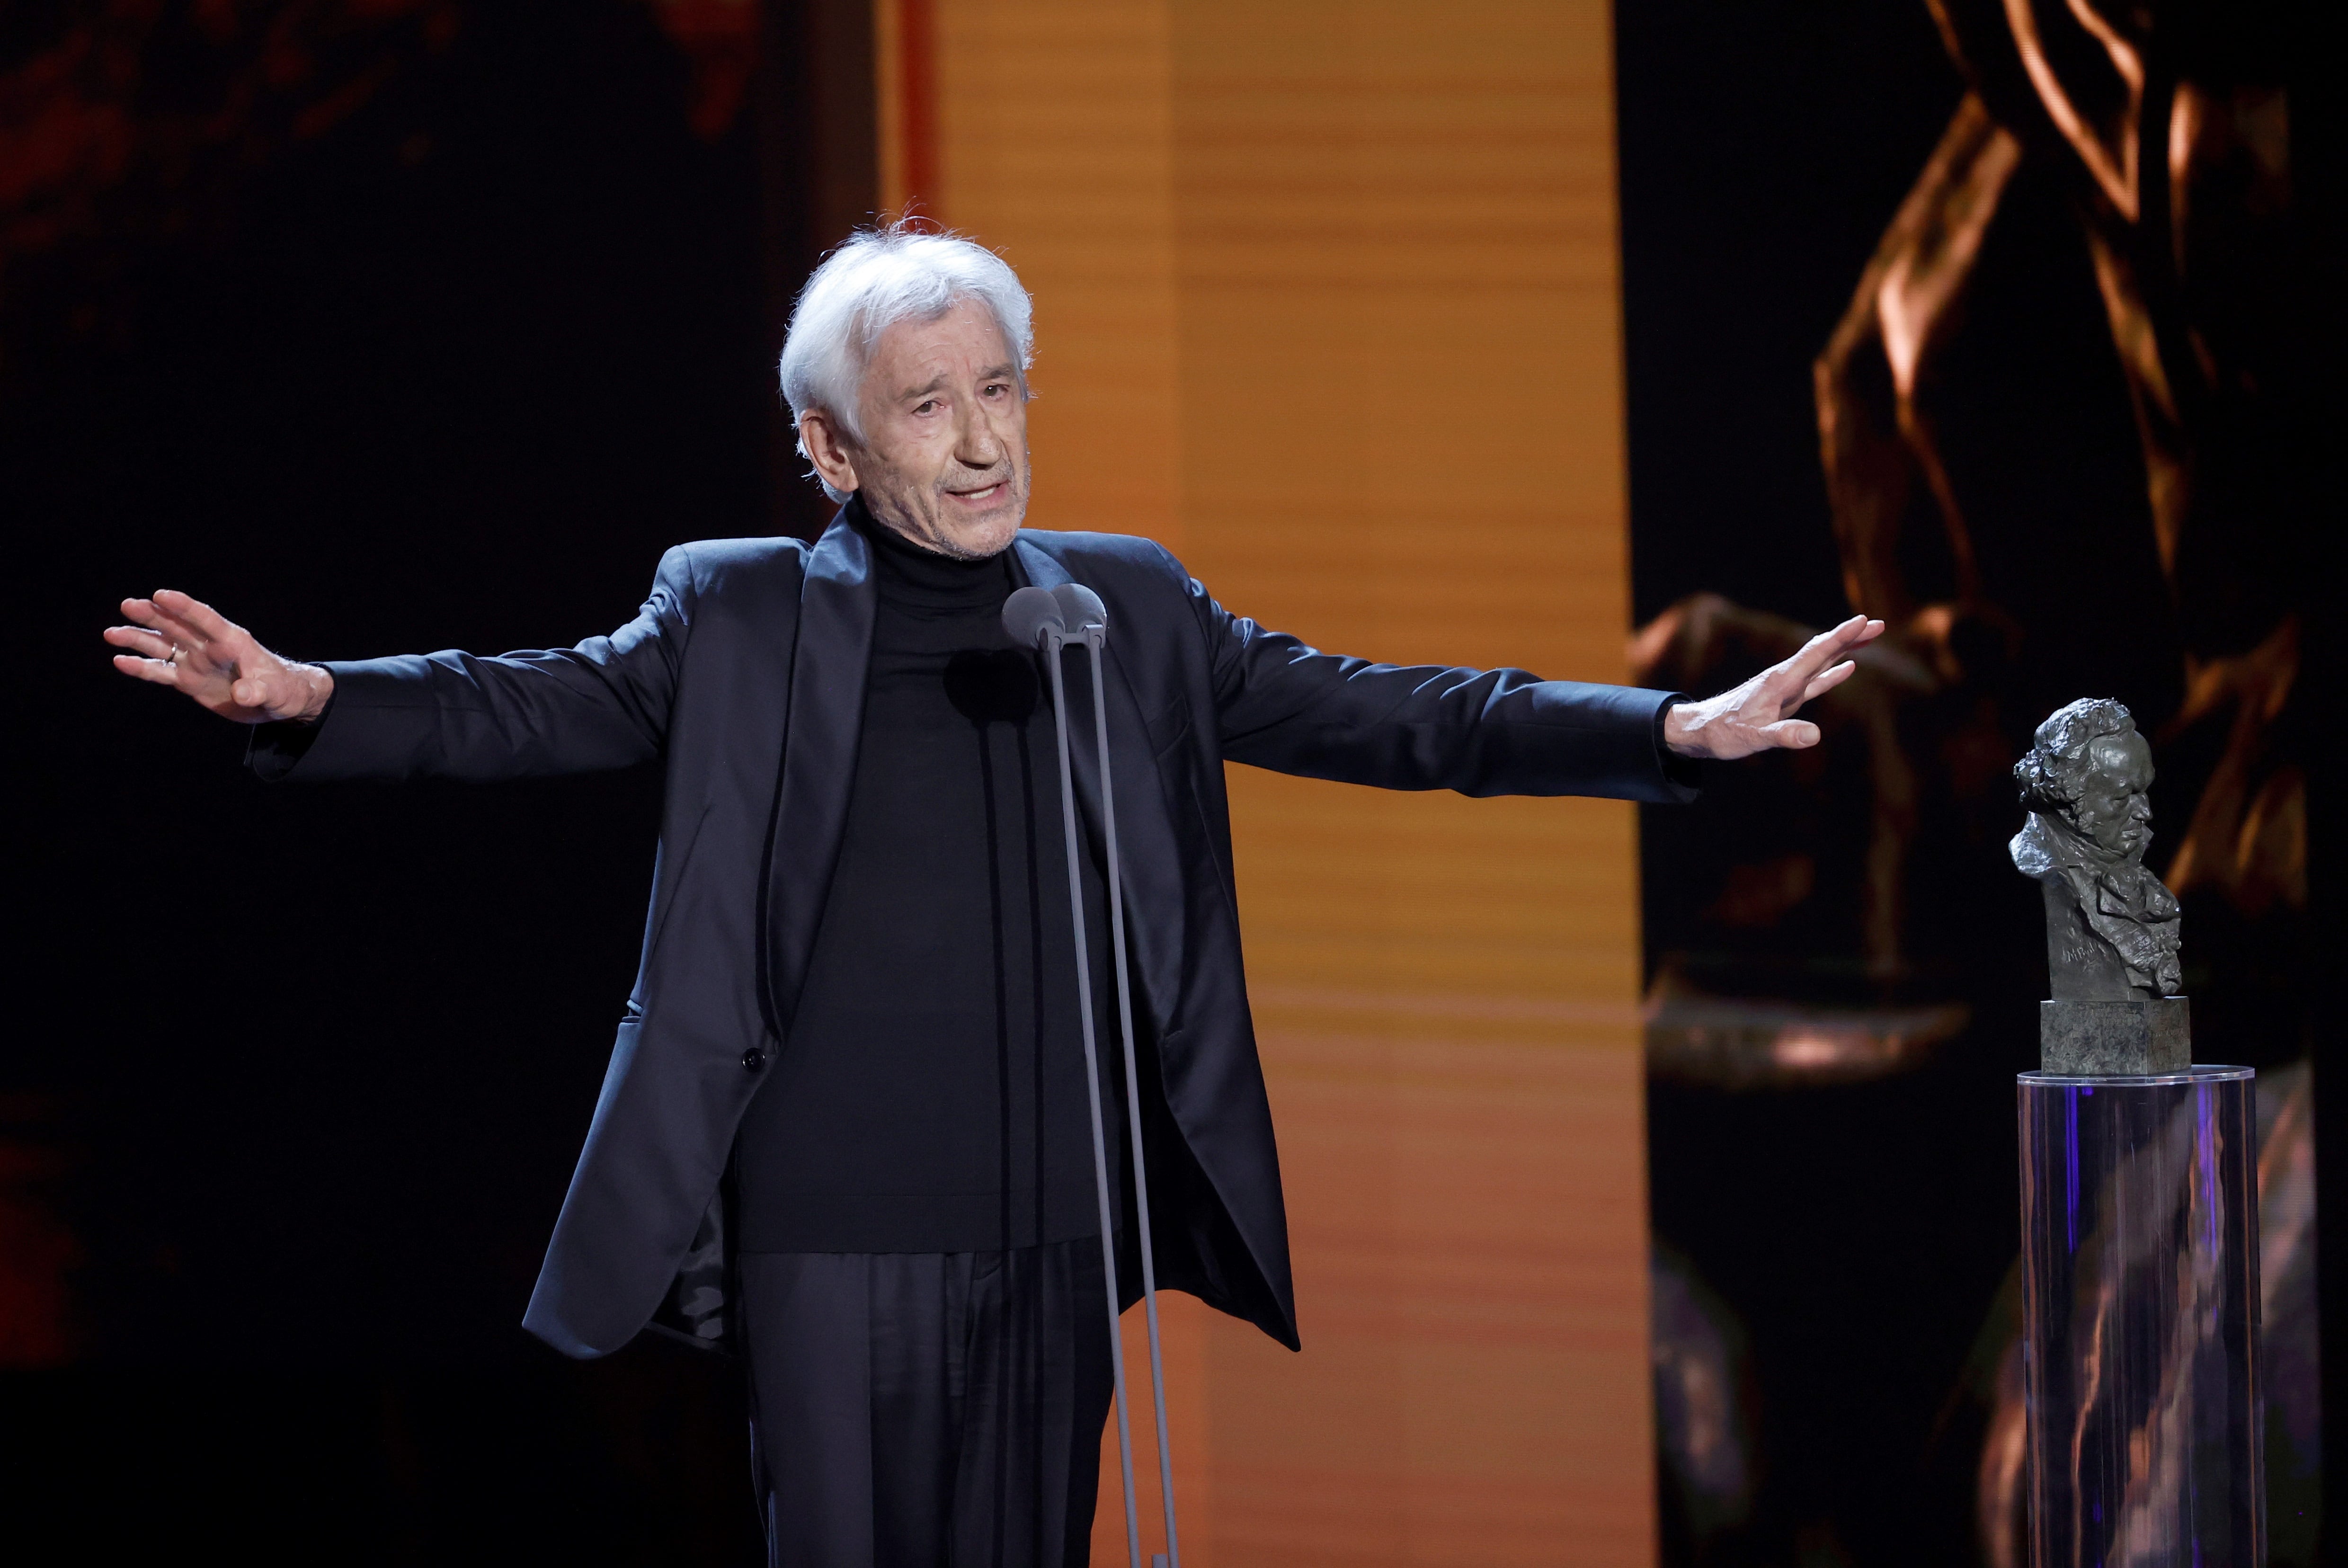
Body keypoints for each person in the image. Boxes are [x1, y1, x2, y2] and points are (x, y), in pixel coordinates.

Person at [105, 222, 1883, 1565]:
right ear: (828, 448)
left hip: (1057, 1212)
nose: (979, 443)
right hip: (830, 1218)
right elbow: (522, 703)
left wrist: (1670, 725)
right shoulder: (732, 615)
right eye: (927, 405)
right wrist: (316, 698)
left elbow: (1401, 715)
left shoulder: (1125, 609)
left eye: (1002, 391)